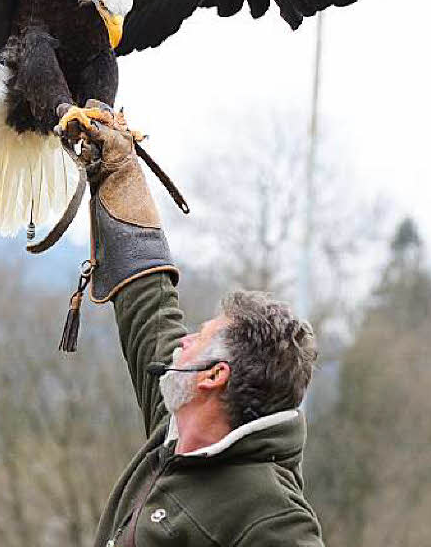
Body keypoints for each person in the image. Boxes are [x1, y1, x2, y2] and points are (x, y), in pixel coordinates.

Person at [71, 102, 324, 547]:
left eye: (199, 338)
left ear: (213, 376)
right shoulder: (178, 422)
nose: (183, 341)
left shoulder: (273, 515)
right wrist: (117, 173)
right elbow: (150, 308)